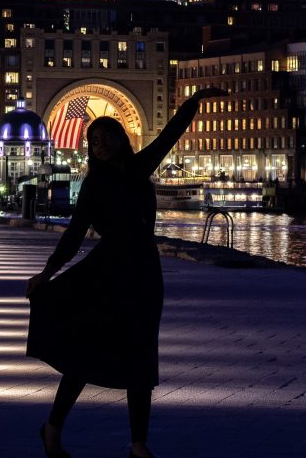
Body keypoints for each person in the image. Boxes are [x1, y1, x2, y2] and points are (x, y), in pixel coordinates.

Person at [26, 87, 226, 458]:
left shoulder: (139, 168)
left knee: (142, 356)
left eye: (107, 137)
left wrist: (194, 102)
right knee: (85, 354)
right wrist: (48, 272)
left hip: (144, 271)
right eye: (94, 140)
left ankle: (138, 444)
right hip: (106, 272)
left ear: (122, 138)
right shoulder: (93, 185)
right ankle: (52, 427)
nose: (100, 144)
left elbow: (169, 135)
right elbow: (73, 234)